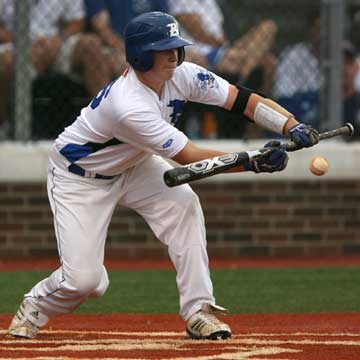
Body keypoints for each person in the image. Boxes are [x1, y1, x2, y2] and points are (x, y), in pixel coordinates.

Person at [7, 12, 319, 341]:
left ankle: (199, 310)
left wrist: (290, 125)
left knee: (184, 204)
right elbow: (190, 158)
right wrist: (254, 160)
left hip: (135, 163)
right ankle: (35, 304)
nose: (174, 55)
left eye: (175, 48)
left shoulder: (181, 75)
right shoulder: (128, 105)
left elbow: (241, 100)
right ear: (141, 56)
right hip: (80, 177)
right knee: (86, 282)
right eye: (164, 49)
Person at [0, 0, 111, 134]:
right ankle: (5, 124)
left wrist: (58, 40)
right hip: (15, 44)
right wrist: (23, 43)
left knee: (91, 45)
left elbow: (77, 21)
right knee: (3, 62)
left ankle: (106, 122)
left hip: (56, 43)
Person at [84, 0, 168, 77]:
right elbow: (102, 27)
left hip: (149, 46)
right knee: (128, 68)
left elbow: (162, 24)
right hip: (111, 47)